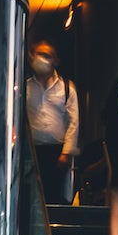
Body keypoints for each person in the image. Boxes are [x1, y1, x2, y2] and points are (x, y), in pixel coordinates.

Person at [25, 43, 81, 203]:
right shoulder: (26, 87)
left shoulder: (67, 88)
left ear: (56, 60)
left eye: (46, 55)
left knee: (55, 195)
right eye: (38, 54)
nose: (41, 59)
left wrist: (66, 153)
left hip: (57, 152)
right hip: (33, 152)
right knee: (33, 195)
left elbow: (73, 122)